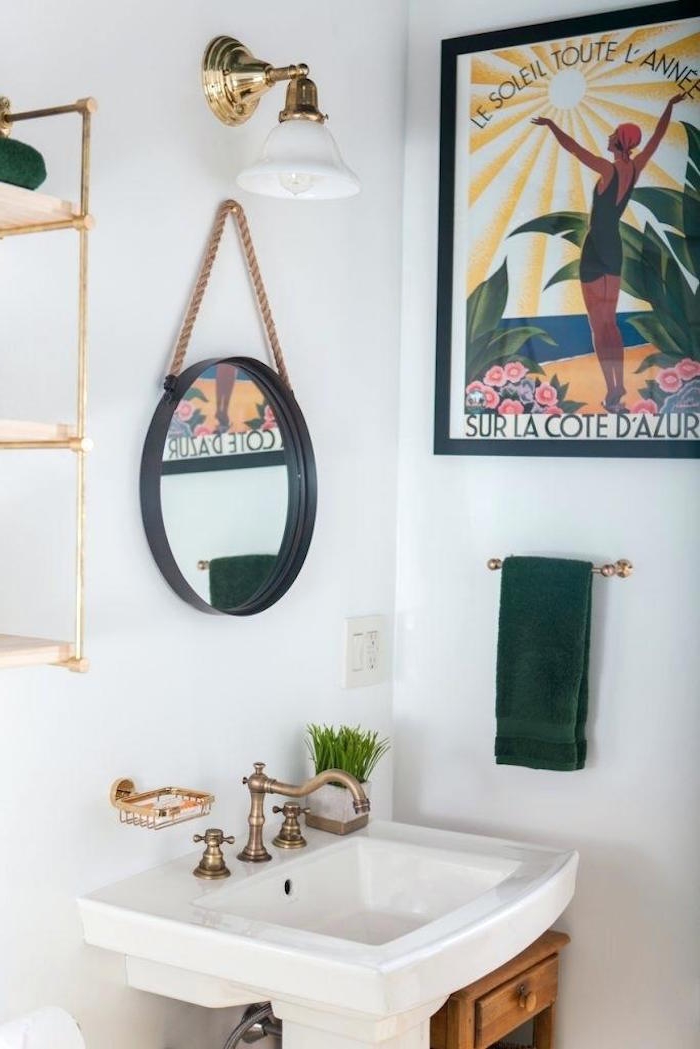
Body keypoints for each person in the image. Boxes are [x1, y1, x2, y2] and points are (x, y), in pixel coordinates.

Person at [532, 93, 685, 412]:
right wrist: (668, 107)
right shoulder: (635, 167)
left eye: (613, 134)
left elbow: (573, 148)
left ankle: (612, 390)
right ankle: (617, 386)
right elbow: (656, 141)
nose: (609, 136)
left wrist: (551, 125)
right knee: (610, 322)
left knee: (596, 324)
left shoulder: (608, 169)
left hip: (594, 250)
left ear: (618, 142)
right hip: (613, 248)